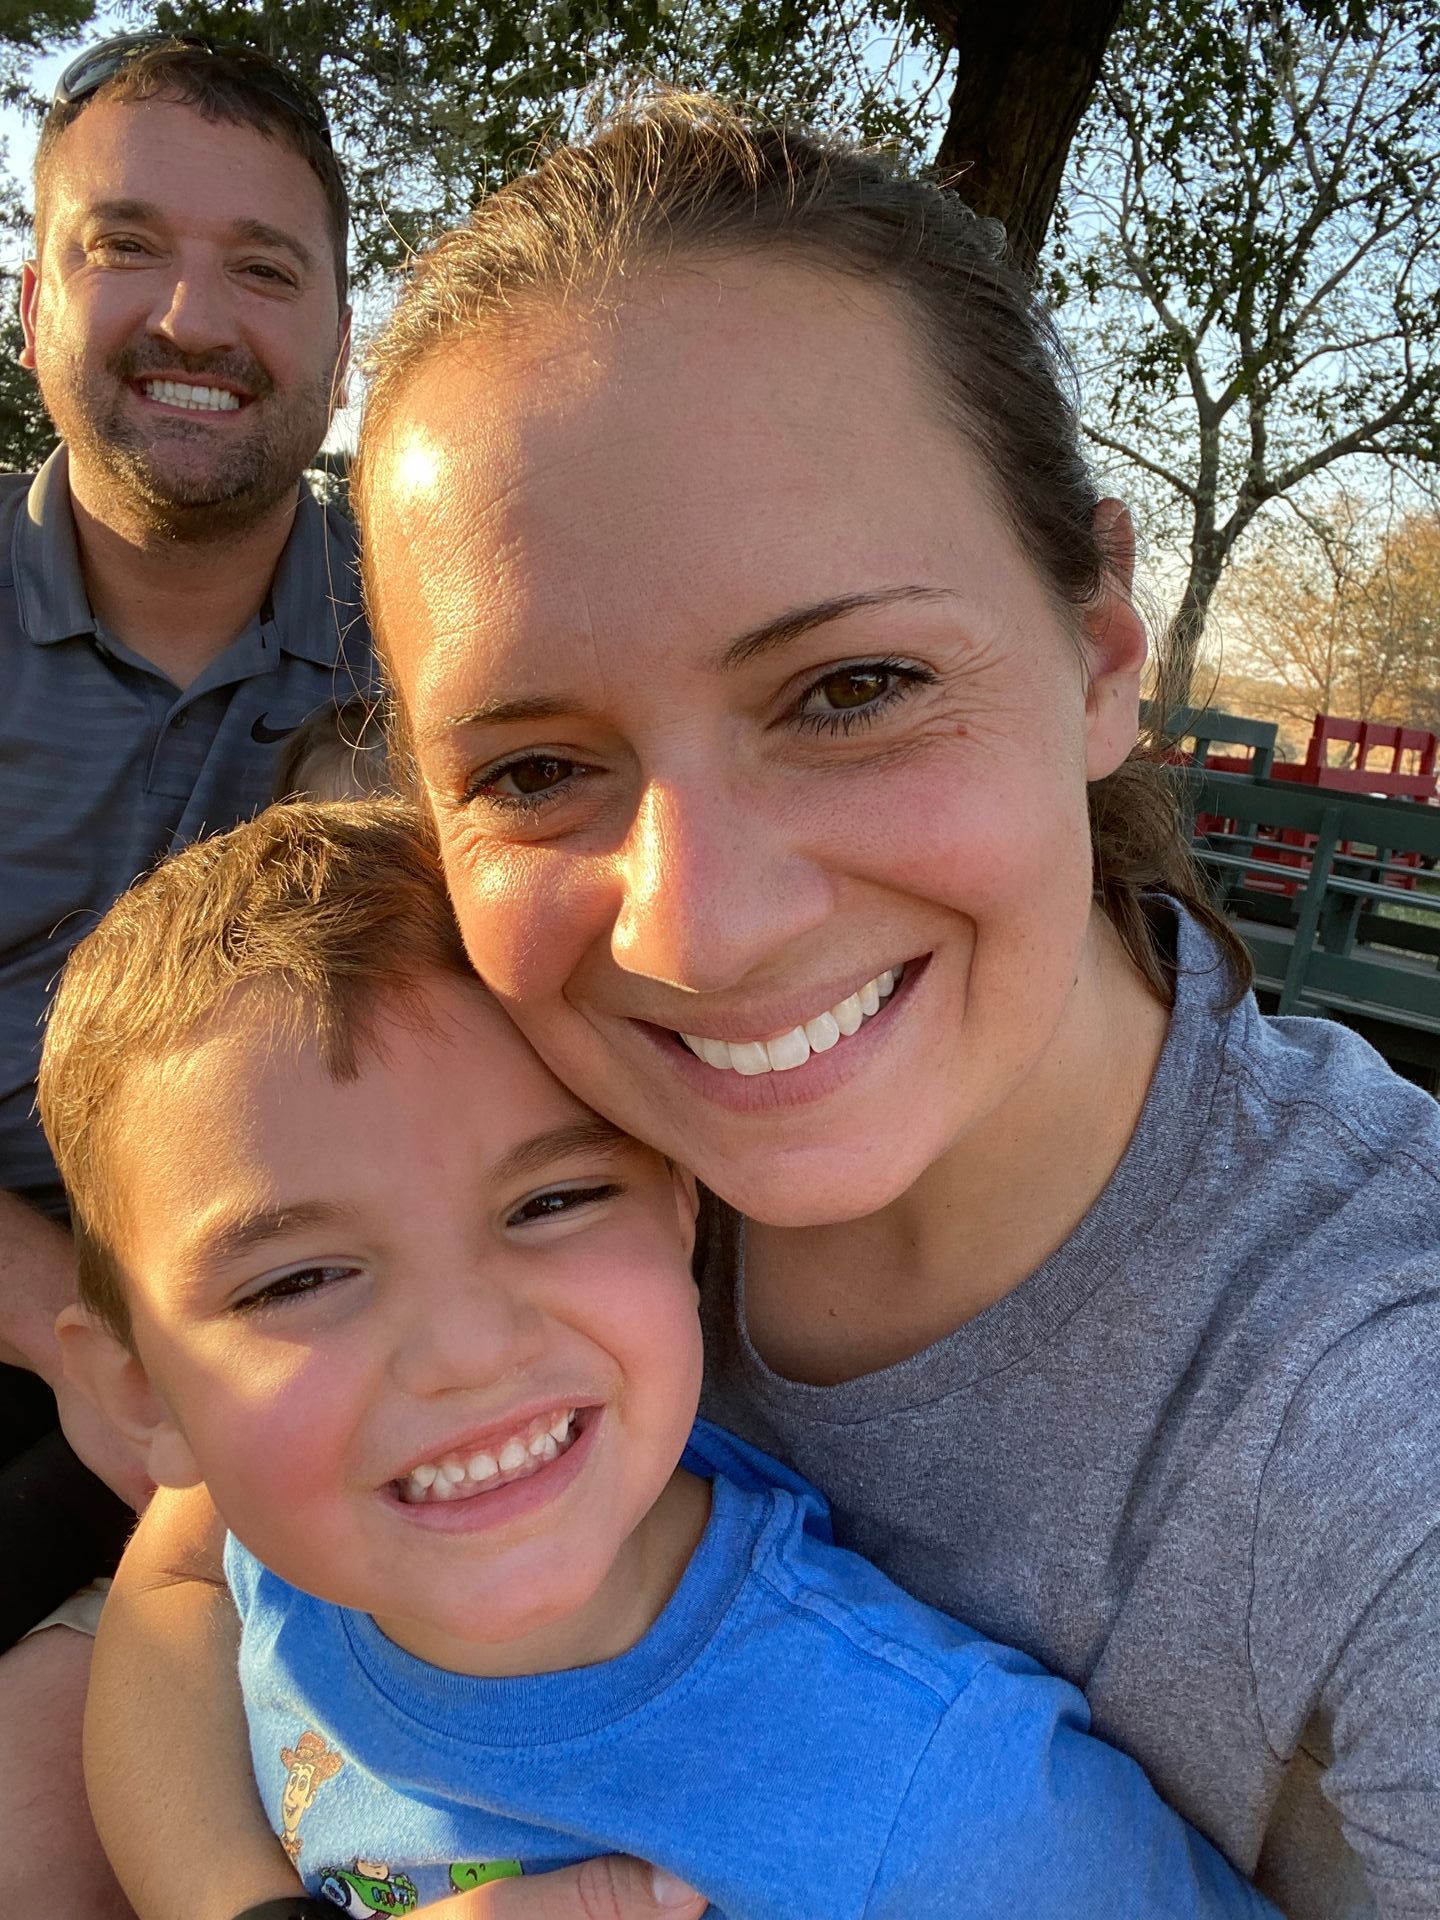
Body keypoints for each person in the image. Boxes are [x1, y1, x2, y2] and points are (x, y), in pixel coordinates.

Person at [87, 91, 1440, 1920]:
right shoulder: (496, 1095)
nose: (701, 930)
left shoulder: (1384, 1448)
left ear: (1102, 650)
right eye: (538, 769)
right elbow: (193, 1565)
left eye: (851, 689)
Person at [44, 797, 1278, 1920]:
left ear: (685, 1210)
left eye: (552, 1202)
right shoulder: (284, 1547)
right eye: (298, 1281)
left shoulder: (935, 1791)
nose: (469, 1351)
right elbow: (178, 1588)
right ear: (142, 1394)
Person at [0, 31, 372, 1920]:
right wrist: (61, 1325)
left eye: (262, 268)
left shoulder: (433, 640)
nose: (191, 319)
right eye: (125, 246)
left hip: (294, 1340)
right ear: (32, 298)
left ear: (336, 335)